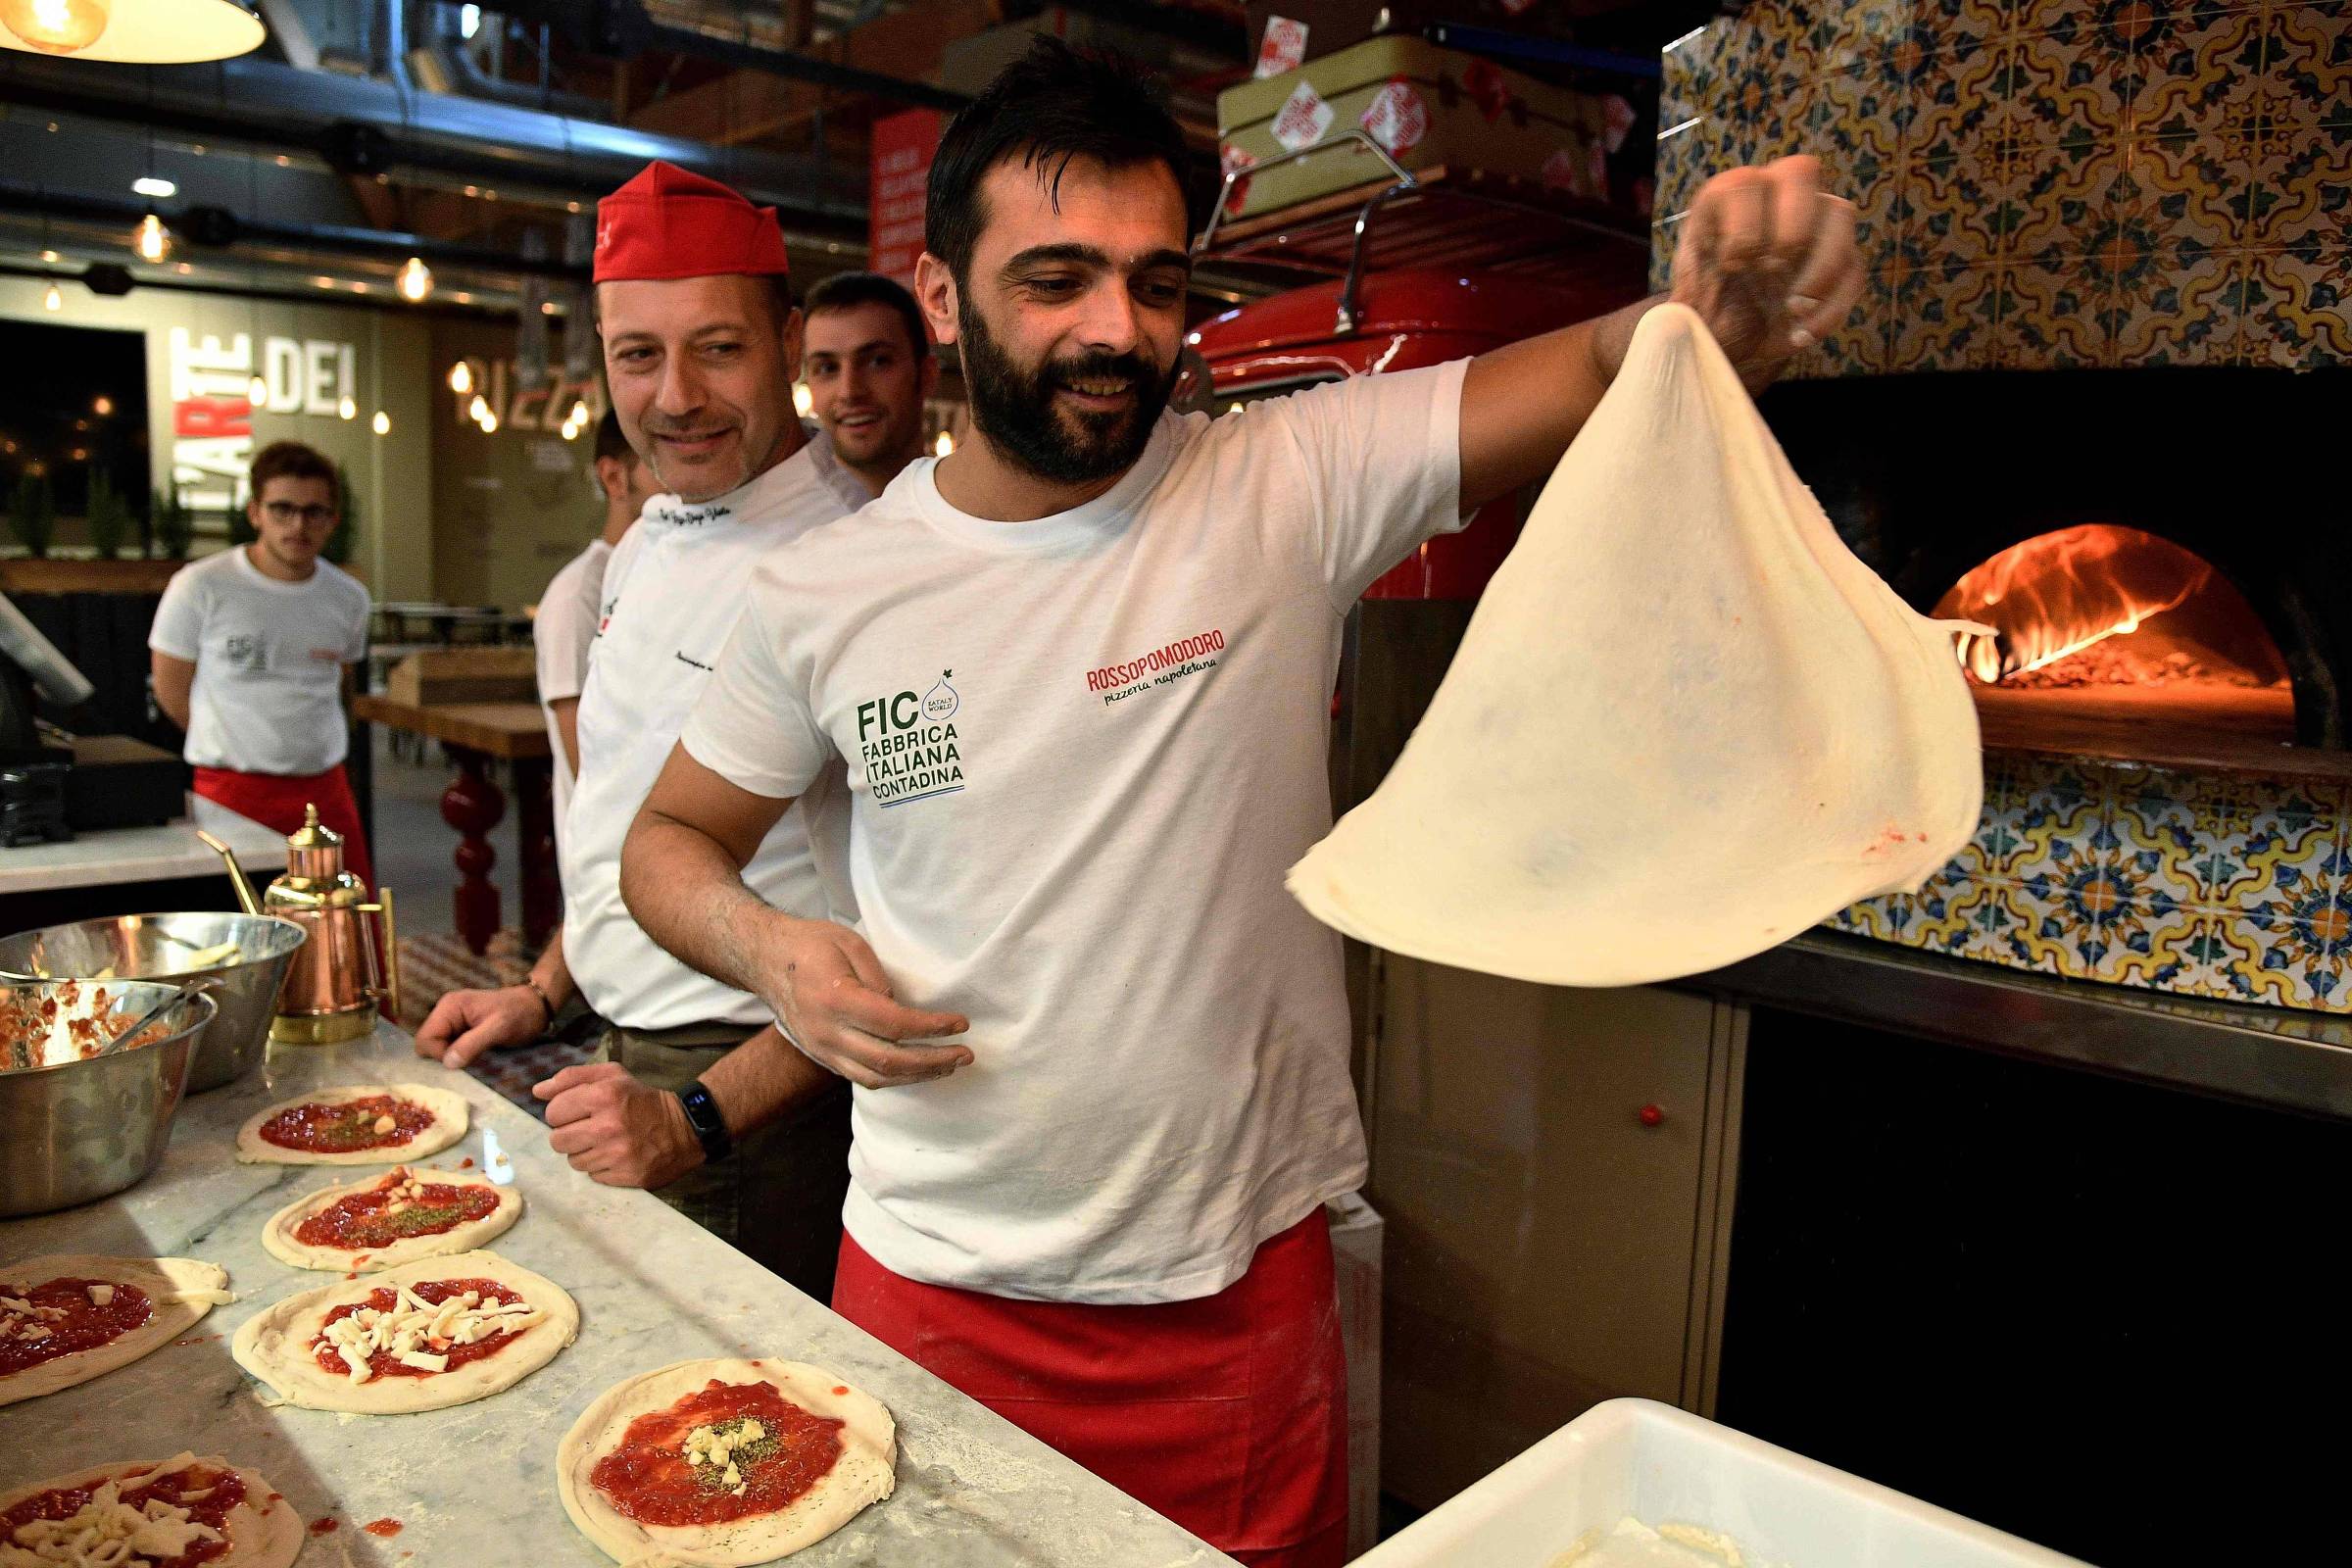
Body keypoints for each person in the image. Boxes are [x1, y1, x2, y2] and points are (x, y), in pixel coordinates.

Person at [618, 38, 1862, 1568]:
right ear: (939, 295)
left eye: (1154, 284)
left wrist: (1711, 317)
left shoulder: (1284, 479)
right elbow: (667, 847)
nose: (1115, 332)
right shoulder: (825, 590)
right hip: (932, 1290)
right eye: (1056, 280)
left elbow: (1615, 368)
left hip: (1231, 1304)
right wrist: (771, 952)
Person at [413, 162, 896, 1300]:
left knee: (737, 1426)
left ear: (787, 344)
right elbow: (623, 820)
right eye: (639, 354)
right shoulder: (650, 537)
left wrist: (694, 1115)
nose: (675, 395)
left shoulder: (855, 565)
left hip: (750, 1089)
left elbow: (901, 936)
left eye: (717, 348)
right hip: (622, 1056)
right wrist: (541, 993)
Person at [150, 439, 373, 888]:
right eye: (282, 509)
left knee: (344, 934)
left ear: (333, 520)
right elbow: (171, 691)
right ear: (255, 513)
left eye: (315, 512)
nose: (298, 525)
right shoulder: (200, 585)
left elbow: (342, 684)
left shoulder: (349, 597)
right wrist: (241, 742)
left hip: (324, 789)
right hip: (230, 790)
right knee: (240, 935)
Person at [535, 409, 657, 852]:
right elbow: (587, 758)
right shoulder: (578, 593)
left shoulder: (669, 576)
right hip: (615, 859)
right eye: (658, 460)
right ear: (614, 478)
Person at [799, 270, 938, 498]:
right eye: (826, 368)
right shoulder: (782, 527)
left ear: (926, 375)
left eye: (877, 361)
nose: (849, 391)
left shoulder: (975, 517)